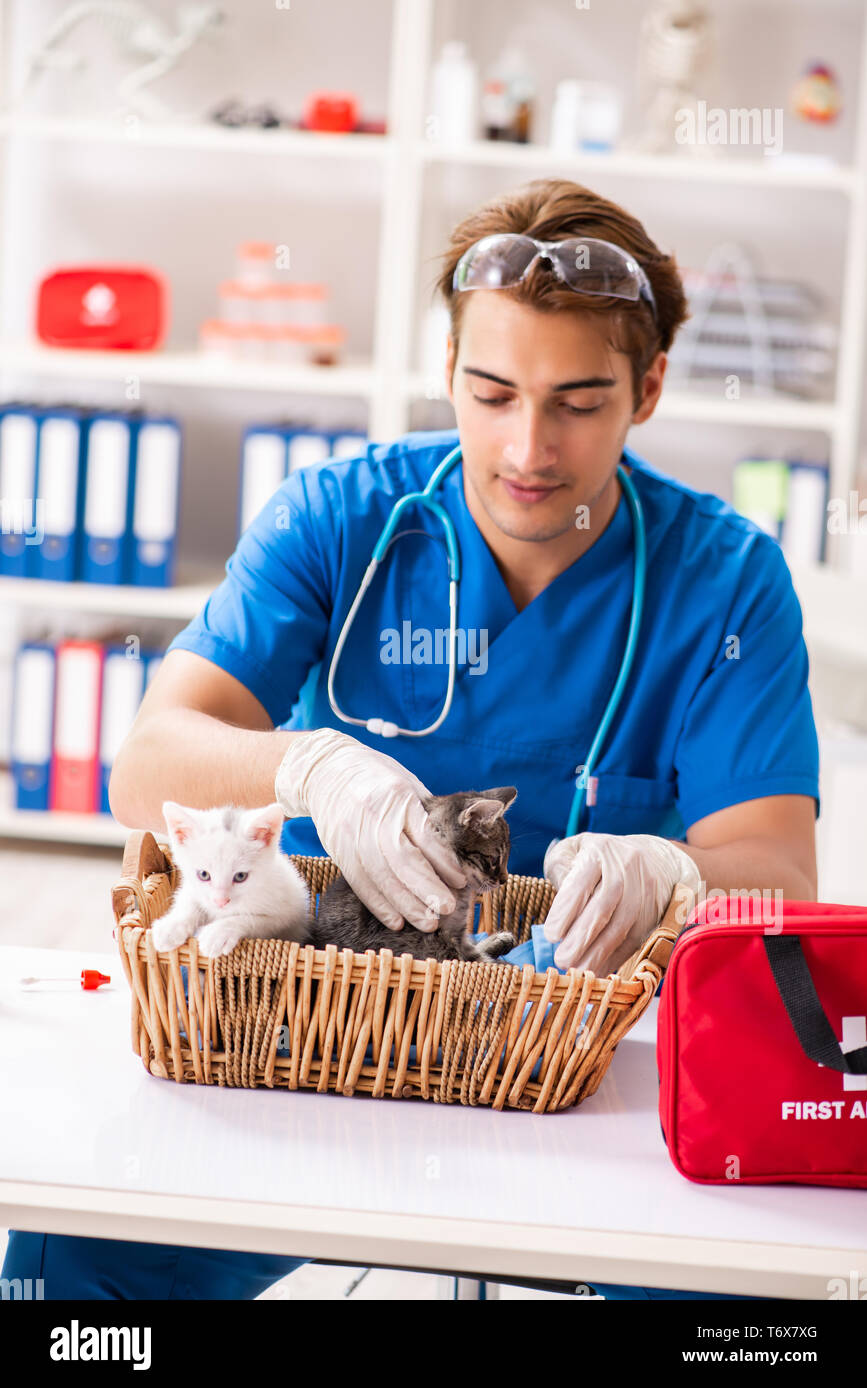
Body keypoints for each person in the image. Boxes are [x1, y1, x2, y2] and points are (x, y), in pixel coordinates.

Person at [3, 178, 818, 1301]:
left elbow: (776, 870)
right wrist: (307, 763)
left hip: (588, 1068)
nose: (528, 447)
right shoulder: (340, 516)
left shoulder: (725, 579)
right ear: (448, 376)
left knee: (752, 1299)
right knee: (75, 1269)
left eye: (579, 401)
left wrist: (669, 867)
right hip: (321, 1047)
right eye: (491, 392)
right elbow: (147, 765)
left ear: (650, 389)